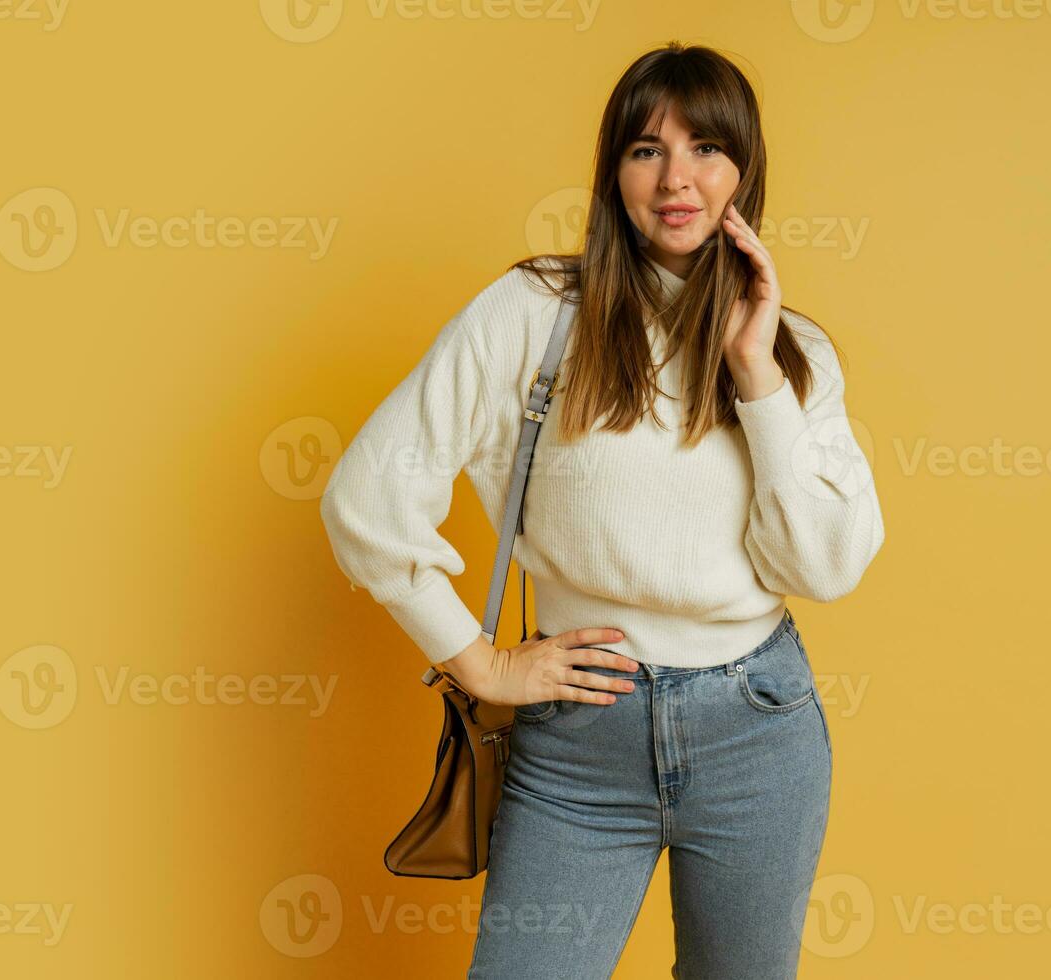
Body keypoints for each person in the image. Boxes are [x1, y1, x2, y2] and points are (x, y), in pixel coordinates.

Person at [319, 41, 884, 979]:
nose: (678, 178)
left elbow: (825, 566)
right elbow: (365, 499)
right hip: (580, 743)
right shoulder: (532, 314)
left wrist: (756, 378)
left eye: (707, 148)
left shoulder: (794, 353)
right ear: (611, 170)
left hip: (758, 729)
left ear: (745, 170)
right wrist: (481, 664)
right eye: (645, 149)